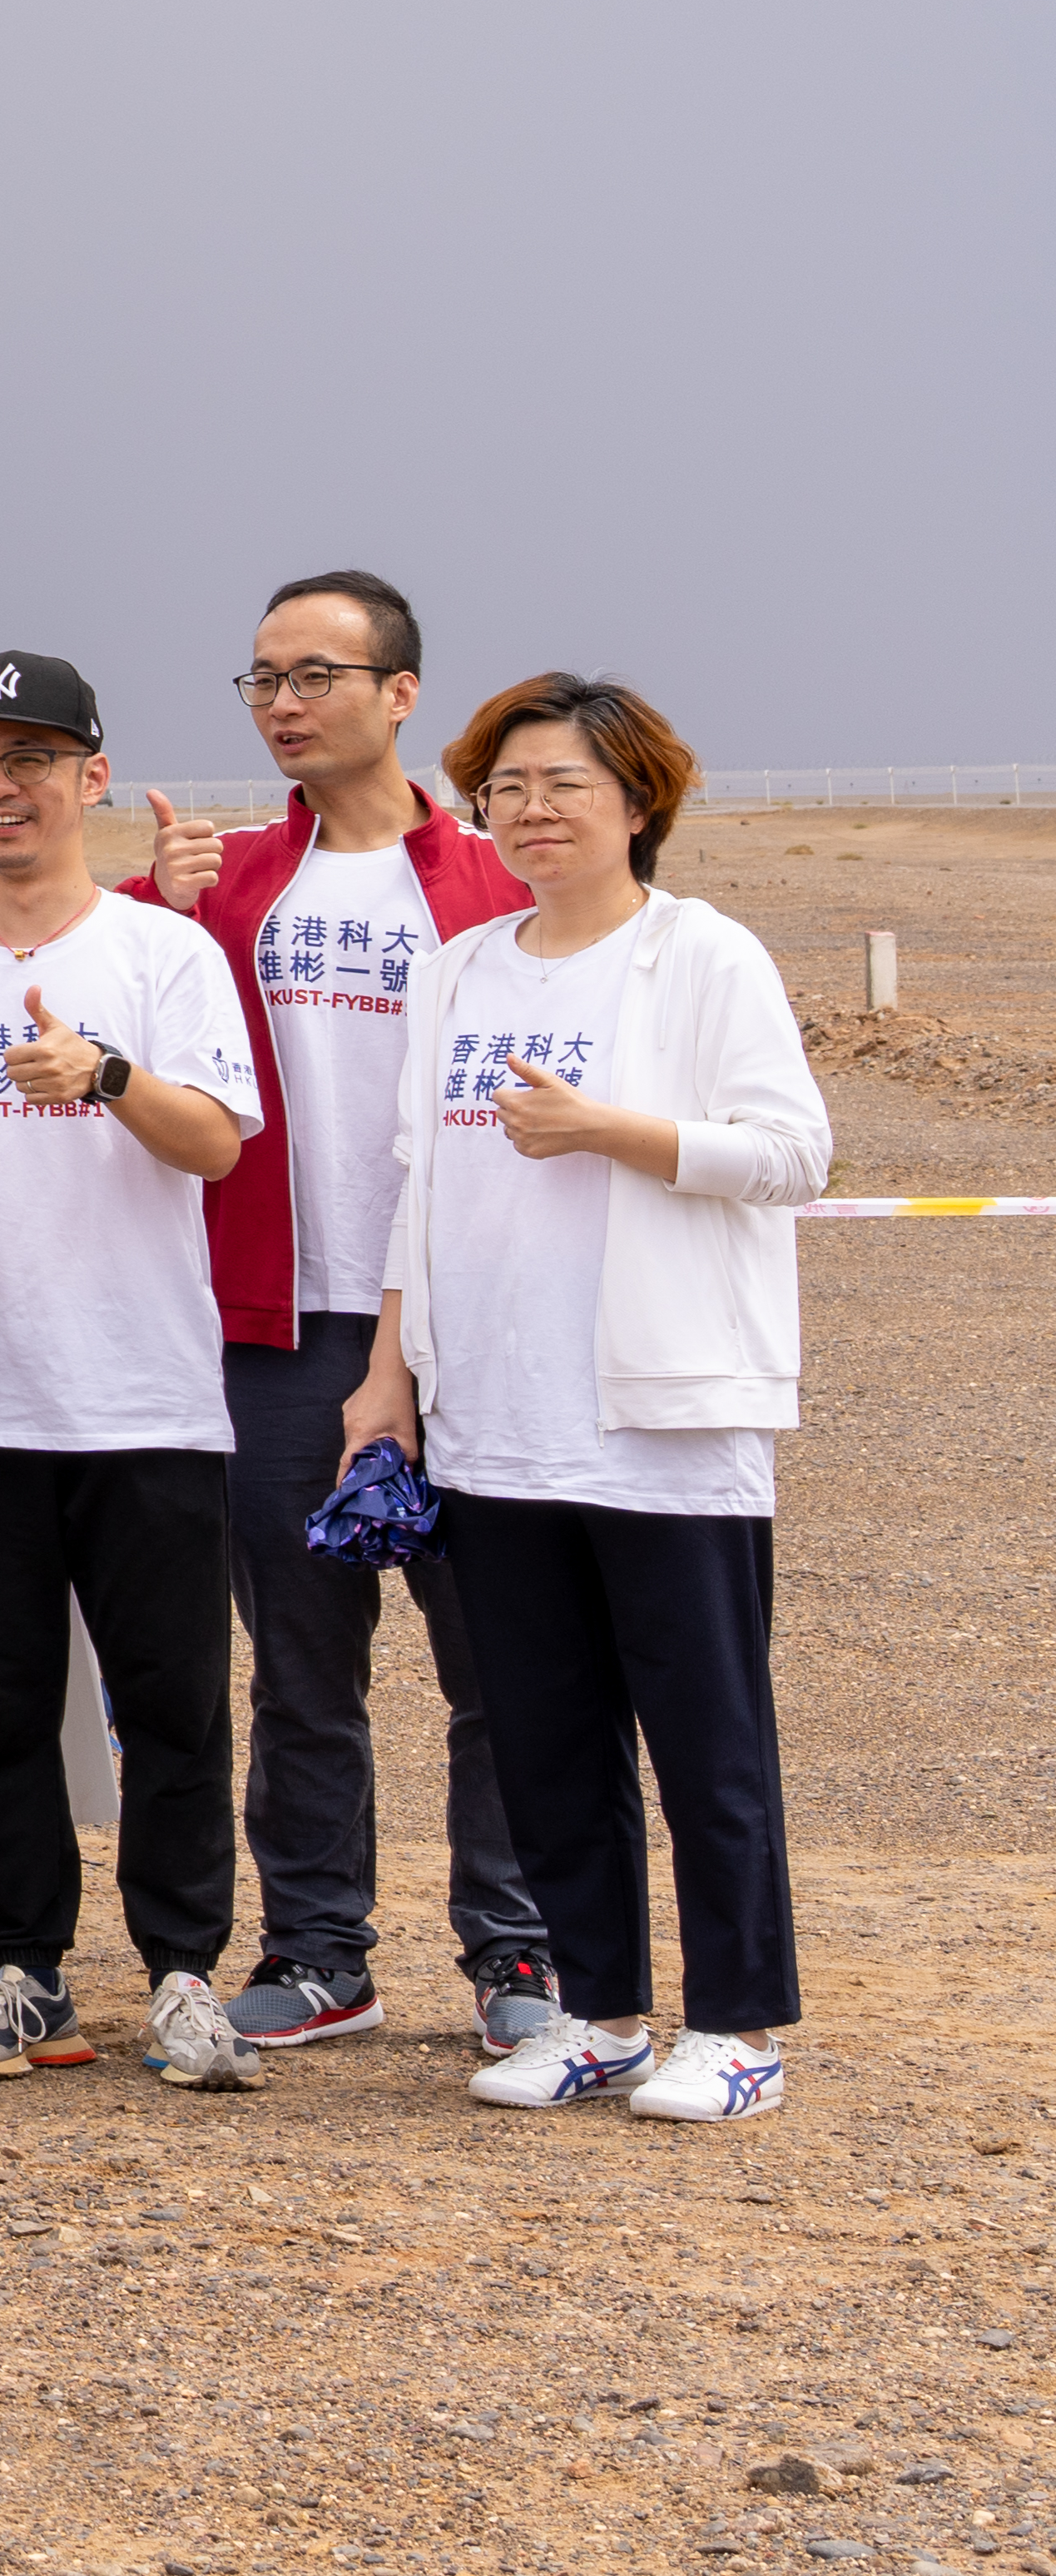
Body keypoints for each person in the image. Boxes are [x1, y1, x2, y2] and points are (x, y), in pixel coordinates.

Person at [364, 677, 828, 2125]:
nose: (528, 812)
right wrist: (386, 1378)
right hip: (494, 1417)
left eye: (561, 783)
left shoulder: (701, 957)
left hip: (662, 1419)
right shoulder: (455, 970)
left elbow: (788, 1151)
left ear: (636, 797)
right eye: (502, 788)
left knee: (702, 1737)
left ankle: (737, 2025)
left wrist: (602, 1130)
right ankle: (599, 2013)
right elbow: (415, 1185)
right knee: (544, 1735)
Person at [133, 570, 545, 2056]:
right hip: (272, 1332)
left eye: (313, 673)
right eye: (258, 680)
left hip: (462, 1330)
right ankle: (317, 1950)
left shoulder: (491, 880)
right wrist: (156, 903)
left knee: (494, 1658)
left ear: (398, 693)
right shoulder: (227, 882)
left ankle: (516, 1950)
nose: (283, 703)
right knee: (299, 1664)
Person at [0, 648, 267, 2086]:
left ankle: (181, 1972)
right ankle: (22, 1970)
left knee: (169, 1704)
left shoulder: (162, 953)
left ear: (89, 777)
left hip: (142, 1393)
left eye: (29, 760)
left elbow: (213, 1141)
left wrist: (102, 1076)